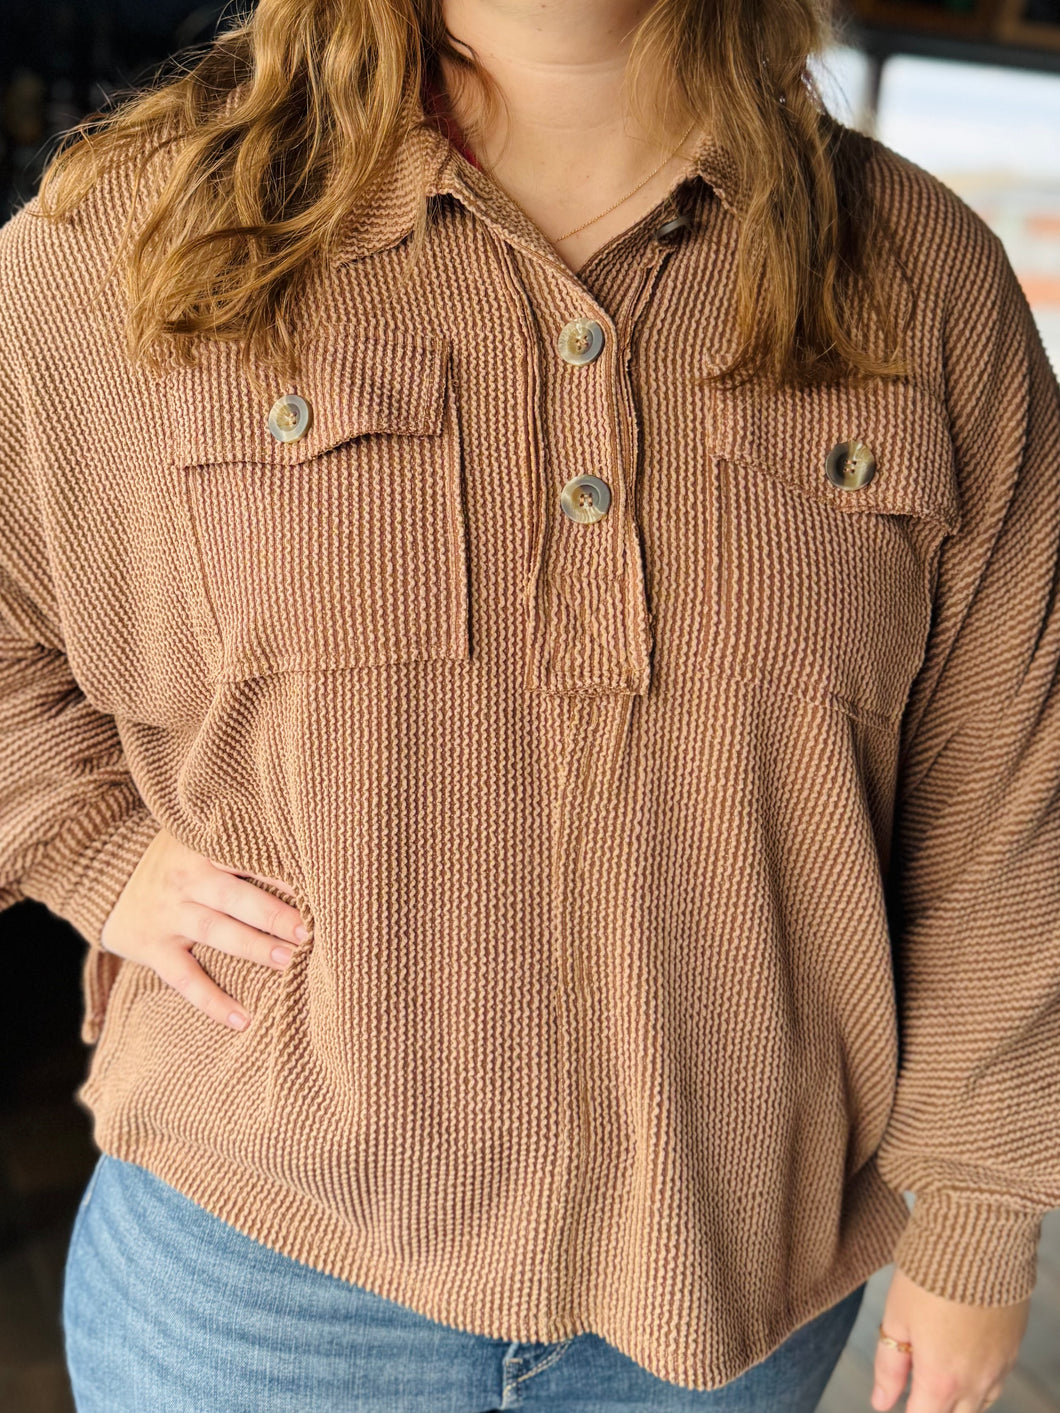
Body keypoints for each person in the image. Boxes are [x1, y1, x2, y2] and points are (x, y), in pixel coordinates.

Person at [0, 0, 1056, 1408]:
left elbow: (1013, 791)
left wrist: (983, 1217)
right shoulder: (132, 244)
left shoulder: (923, 283)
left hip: (728, 1303)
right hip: (259, 1288)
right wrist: (88, 842)